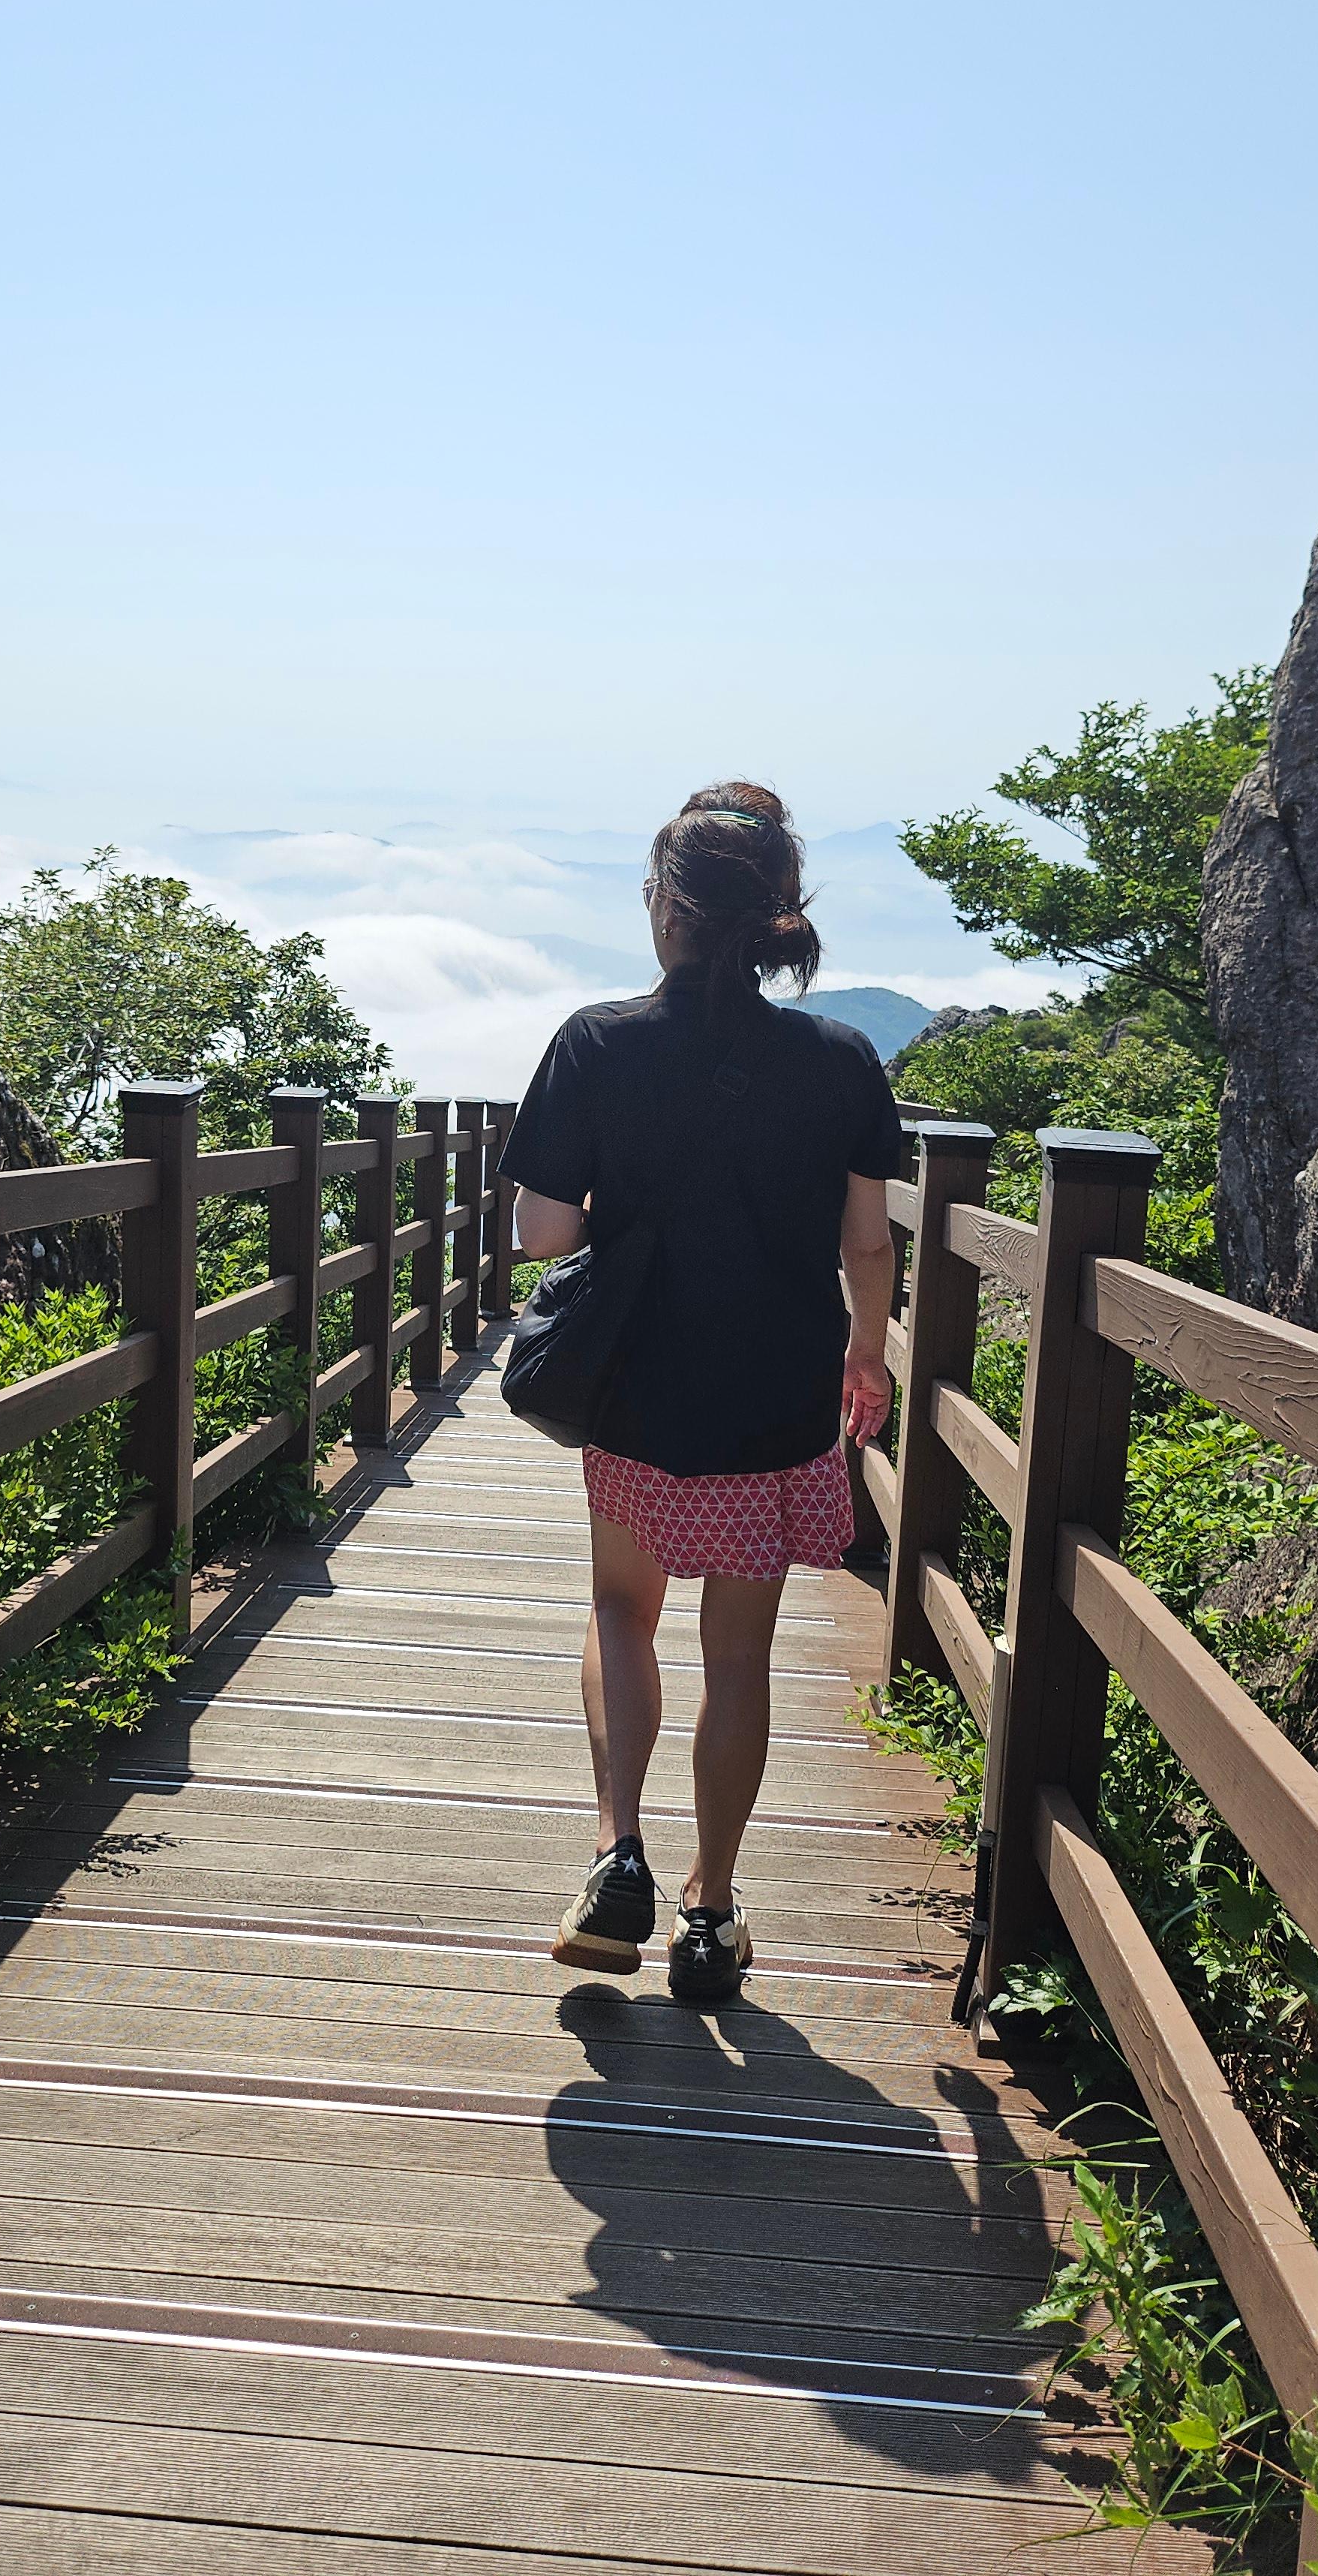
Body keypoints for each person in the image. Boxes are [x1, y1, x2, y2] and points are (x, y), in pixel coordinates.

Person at [500, 782, 904, 2004]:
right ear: (776, 911)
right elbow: (868, 1242)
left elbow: (540, 1234)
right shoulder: (841, 1060)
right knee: (740, 1657)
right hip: (778, 1395)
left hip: (639, 1386)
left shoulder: (596, 1040)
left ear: (665, 909)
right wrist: (869, 1353)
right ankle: (710, 1911)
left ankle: (617, 1855)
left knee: (621, 1611)